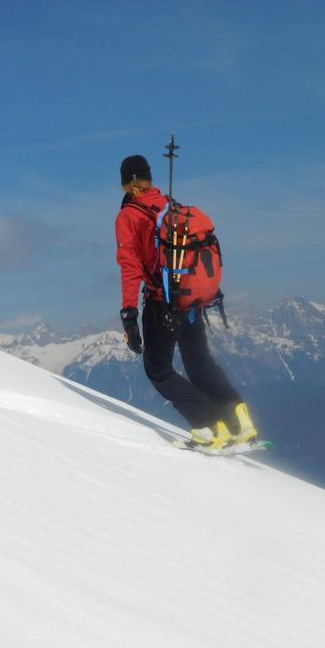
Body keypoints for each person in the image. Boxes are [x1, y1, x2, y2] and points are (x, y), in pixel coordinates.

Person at [114, 154, 257, 450]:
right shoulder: (170, 205)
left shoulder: (129, 216)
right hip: (192, 299)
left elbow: (129, 266)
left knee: (158, 368)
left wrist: (129, 315)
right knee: (199, 365)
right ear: (149, 178)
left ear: (126, 183)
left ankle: (208, 427)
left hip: (161, 302)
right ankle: (239, 420)